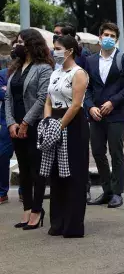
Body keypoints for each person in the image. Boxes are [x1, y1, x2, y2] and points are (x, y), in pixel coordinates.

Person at [85, 22, 124, 208]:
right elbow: (86, 87)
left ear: (117, 39)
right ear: (99, 37)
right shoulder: (90, 60)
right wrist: (90, 106)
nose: (109, 38)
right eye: (106, 34)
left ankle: (117, 192)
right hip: (96, 115)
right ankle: (106, 190)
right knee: (98, 151)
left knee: (116, 151)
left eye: (113, 36)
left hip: (117, 113)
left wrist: (113, 102)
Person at [5, 29, 53, 229]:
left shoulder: (43, 68)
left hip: (33, 125)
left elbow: (43, 98)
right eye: (17, 41)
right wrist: (11, 123)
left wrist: (25, 122)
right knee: (23, 169)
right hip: (15, 126)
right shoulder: (15, 68)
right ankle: (26, 210)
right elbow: (8, 98)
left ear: (32, 43)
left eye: (21, 41)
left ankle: (37, 210)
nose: (18, 45)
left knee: (36, 169)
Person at [44, 35, 89, 238]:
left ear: (70, 50)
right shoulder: (55, 73)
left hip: (73, 125)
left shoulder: (79, 73)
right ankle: (57, 222)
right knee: (56, 174)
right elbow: (48, 100)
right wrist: (47, 122)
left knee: (73, 172)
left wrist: (60, 126)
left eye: (58, 48)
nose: (55, 52)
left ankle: (72, 224)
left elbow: (76, 104)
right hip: (54, 120)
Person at [0, 66, 14, 204]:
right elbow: (0, 94)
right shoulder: (3, 73)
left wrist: (7, 90)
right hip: (6, 121)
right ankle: (2, 192)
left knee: (27, 158)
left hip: (28, 119)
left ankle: (25, 191)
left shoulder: (33, 70)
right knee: (2, 155)